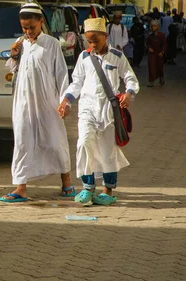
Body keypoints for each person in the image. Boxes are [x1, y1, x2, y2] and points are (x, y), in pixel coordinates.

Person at [57, 18, 140, 206]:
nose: (92, 45)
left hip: (109, 112)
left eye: (96, 40)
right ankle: (87, 188)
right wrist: (66, 100)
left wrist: (128, 94)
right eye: (89, 41)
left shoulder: (117, 57)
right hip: (87, 108)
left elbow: (131, 79)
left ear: (105, 36)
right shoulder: (84, 58)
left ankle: (108, 190)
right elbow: (76, 82)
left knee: (107, 150)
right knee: (85, 143)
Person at [0, 3, 74, 203]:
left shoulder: (52, 44)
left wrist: (64, 101)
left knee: (54, 140)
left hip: (47, 101)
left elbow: (61, 74)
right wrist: (14, 54)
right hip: (23, 101)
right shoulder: (20, 42)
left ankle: (67, 181)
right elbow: (14, 70)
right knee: (23, 141)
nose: (28, 32)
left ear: (41, 22)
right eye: (24, 28)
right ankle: (21, 187)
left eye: (32, 27)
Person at [146, 20, 167, 87]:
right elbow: (147, 44)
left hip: (159, 54)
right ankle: (151, 81)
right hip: (152, 54)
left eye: (154, 26)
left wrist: (162, 52)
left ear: (157, 27)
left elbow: (164, 44)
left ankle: (161, 77)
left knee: (159, 67)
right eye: (152, 26)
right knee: (151, 67)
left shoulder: (161, 35)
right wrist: (148, 48)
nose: (153, 28)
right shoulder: (150, 36)